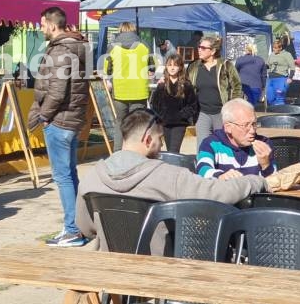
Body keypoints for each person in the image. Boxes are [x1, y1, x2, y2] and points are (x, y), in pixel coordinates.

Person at [75, 109, 270, 252]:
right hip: (160, 269)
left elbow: (85, 228)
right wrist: (256, 180)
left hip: (112, 268)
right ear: (148, 140)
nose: (162, 144)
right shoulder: (169, 176)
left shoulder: (92, 177)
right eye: (160, 138)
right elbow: (219, 193)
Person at [28, 6, 89, 247]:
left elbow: (57, 90)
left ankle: (73, 229)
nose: (41, 29)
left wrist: (44, 116)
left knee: (63, 176)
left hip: (60, 120)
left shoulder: (60, 51)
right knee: (70, 174)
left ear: (53, 25)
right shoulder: (76, 46)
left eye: (43, 25)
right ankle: (77, 226)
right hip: (71, 119)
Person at [196, 98, 276, 180]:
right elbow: (202, 170)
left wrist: (266, 165)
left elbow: (274, 182)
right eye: (246, 125)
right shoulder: (211, 144)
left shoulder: (264, 144)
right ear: (228, 128)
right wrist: (220, 176)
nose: (252, 130)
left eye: (254, 124)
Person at [104, 22, 152, 150]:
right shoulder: (144, 45)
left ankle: (118, 153)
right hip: (139, 91)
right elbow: (152, 67)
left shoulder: (112, 47)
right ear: (134, 30)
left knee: (120, 122)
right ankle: (136, 152)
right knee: (137, 124)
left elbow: (107, 69)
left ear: (120, 30)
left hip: (120, 92)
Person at [187, 36, 242, 146]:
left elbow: (237, 86)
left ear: (212, 51)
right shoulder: (194, 67)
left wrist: (231, 107)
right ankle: (204, 163)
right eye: (199, 47)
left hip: (221, 113)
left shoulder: (226, 65)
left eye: (203, 47)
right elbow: (186, 86)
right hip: (202, 113)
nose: (199, 49)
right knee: (202, 146)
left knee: (224, 145)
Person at [149, 53, 198, 153]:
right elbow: (154, 103)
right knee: (169, 150)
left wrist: (182, 115)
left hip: (179, 124)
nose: (172, 68)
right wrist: (161, 116)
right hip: (165, 123)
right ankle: (171, 167)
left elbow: (192, 105)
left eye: (175, 65)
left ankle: (174, 168)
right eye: (170, 65)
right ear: (166, 66)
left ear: (180, 67)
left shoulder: (186, 85)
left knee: (174, 150)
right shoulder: (162, 84)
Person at [266, 39, 295, 105]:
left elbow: (292, 67)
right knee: (270, 97)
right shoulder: (272, 54)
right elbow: (268, 65)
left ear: (280, 48)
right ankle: (273, 109)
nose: (274, 49)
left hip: (281, 78)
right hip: (270, 78)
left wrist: (290, 77)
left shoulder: (287, 55)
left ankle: (280, 110)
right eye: (273, 47)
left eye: (275, 48)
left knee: (279, 96)